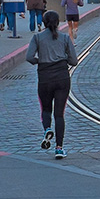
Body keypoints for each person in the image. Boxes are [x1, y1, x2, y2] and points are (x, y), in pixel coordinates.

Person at [26, 10, 78, 159]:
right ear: (58, 23)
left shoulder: (37, 38)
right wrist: (63, 60)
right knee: (59, 114)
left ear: (44, 23)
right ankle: (59, 148)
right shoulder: (64, 38)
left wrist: (40, 61)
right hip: (62, 78)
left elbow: (29, 57)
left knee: (46, 109)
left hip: (45, 77)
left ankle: (47, 129)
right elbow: (74, 61)